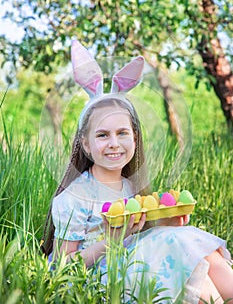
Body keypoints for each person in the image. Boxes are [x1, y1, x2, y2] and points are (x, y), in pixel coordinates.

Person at [42, 40, 233, 303]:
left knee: (185, 241)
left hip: (137, 259)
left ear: (135, 137)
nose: (114, 143)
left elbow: (141, 237)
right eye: (102, 135)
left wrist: (165, 223)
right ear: (85, 143)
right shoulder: (74, 198)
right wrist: (109, 241)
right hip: (104, 276)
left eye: (122, 133)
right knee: (177, 249)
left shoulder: (131, 187)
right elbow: (61, 268)